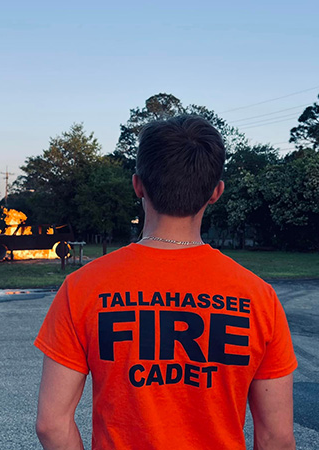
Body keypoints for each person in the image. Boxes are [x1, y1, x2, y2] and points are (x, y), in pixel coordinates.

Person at [34, 115, 297, 450]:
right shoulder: (259, 298)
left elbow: (51, 425)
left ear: (138, 185)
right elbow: (276, 437)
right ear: (216, 192)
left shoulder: (82, 288)